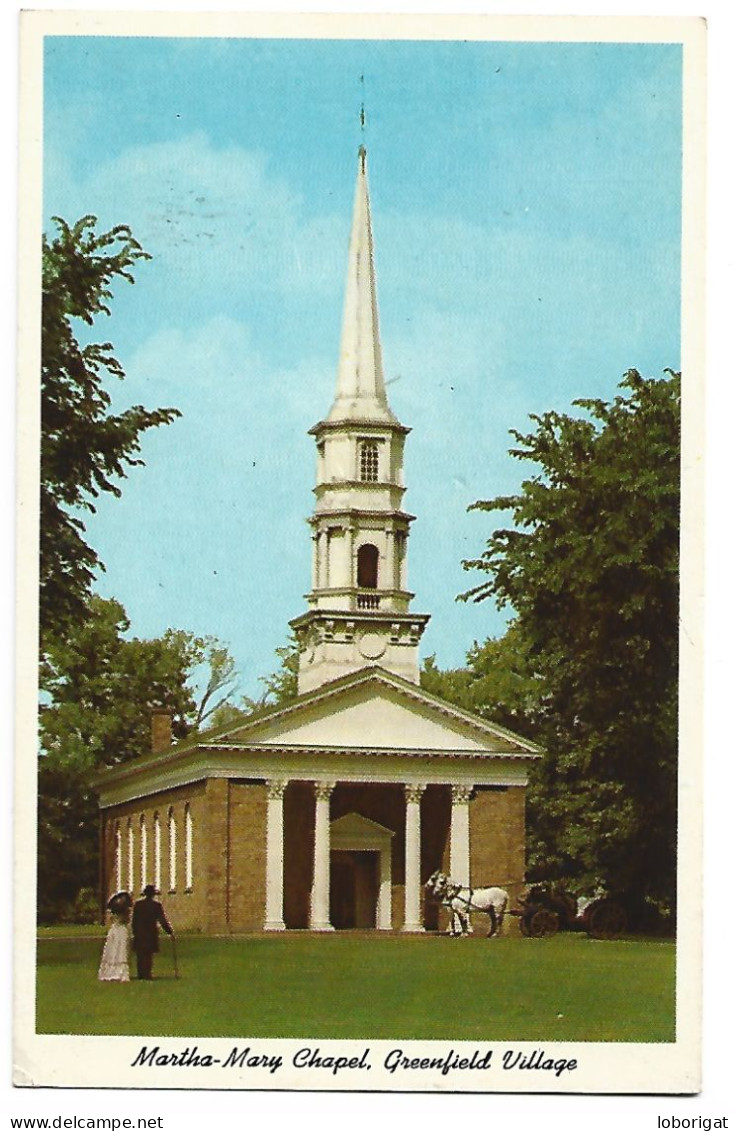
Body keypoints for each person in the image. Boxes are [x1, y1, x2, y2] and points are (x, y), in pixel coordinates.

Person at [131, 884, 174, 980]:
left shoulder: (138, 905)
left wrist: (135, 931)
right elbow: (162, 920)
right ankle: (147, 973)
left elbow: (134, 920)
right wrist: (169, 931)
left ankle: (141, 973)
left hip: (140, 932)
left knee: (140, 954)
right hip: (150, 933)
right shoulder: (156, 906)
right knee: (148, 955)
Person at [98, 891, 133, 982]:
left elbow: (112, 919)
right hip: (121, 931)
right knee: (121, 951)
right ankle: (119, 972)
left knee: (113, 950)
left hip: (114, 931)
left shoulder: (113, 914)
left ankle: (110, 972)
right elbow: (126, 920)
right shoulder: (125, 913)